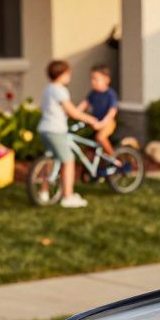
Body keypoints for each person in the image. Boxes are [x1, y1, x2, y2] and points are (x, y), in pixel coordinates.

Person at [37, 60, 101, 209]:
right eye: (68, 73)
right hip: (56, 130)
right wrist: (91, 119)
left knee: (50, 160)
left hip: (44, 129)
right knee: (68, 160)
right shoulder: (60, 90)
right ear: (62, 75)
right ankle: (68, 196)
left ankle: (44, 192)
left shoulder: (47, 89)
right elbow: (71, 111)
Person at [78, 63, 118, 157]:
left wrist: (102, 123)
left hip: (108, 123)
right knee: (86, 143)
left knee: (100, 137)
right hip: (95, 123)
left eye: (96, 79)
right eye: (91, 78)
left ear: (106, 80)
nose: (93, 81)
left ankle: (114, 157)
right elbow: (83, 105)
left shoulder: (110, 94)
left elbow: (112, 112)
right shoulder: (93, 93)